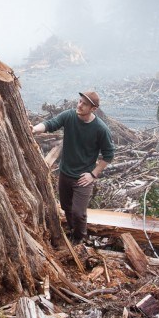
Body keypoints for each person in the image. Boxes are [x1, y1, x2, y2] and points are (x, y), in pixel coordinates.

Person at [31, 91, 115, 245]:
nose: (80, 105)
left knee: (78, 213)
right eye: (80, 101)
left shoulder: (100, 129)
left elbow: (108, 155)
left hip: (83, 178)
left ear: (93, 109)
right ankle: (72, 230)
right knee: (65, 206)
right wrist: (34, 129)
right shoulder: (69, 116)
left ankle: (79, 238)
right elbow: (51, 124)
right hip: (65, 173)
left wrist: (93, 174)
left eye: (85, 104)